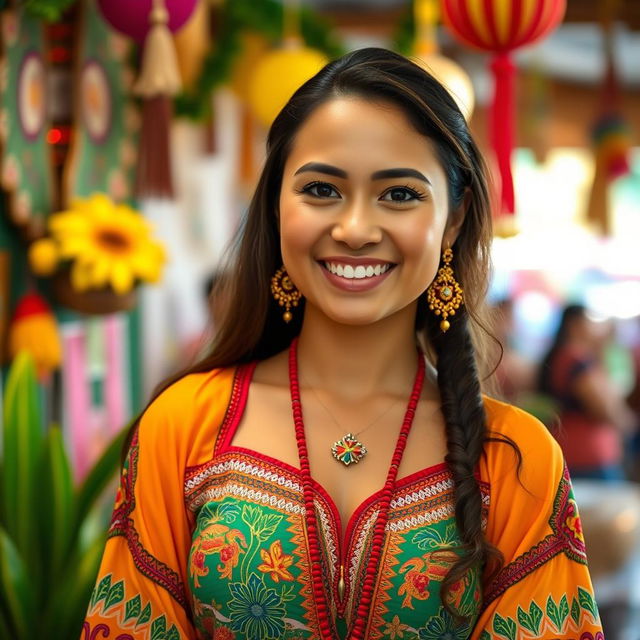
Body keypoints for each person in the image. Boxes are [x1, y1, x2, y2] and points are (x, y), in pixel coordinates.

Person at [82, 49, 603, 640]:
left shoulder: (517, 460)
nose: (354, 229)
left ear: (453, 221)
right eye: (322, 188)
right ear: (278, 204)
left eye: (400, 194)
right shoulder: (182, 428)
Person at [537, 304, 635, 482]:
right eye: (591, 322)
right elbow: (603, 407)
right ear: (576, 325)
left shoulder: (561, 355)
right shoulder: (576, 358)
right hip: (590, 455)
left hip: (570, 448)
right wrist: (627, 423)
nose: (596, 328)